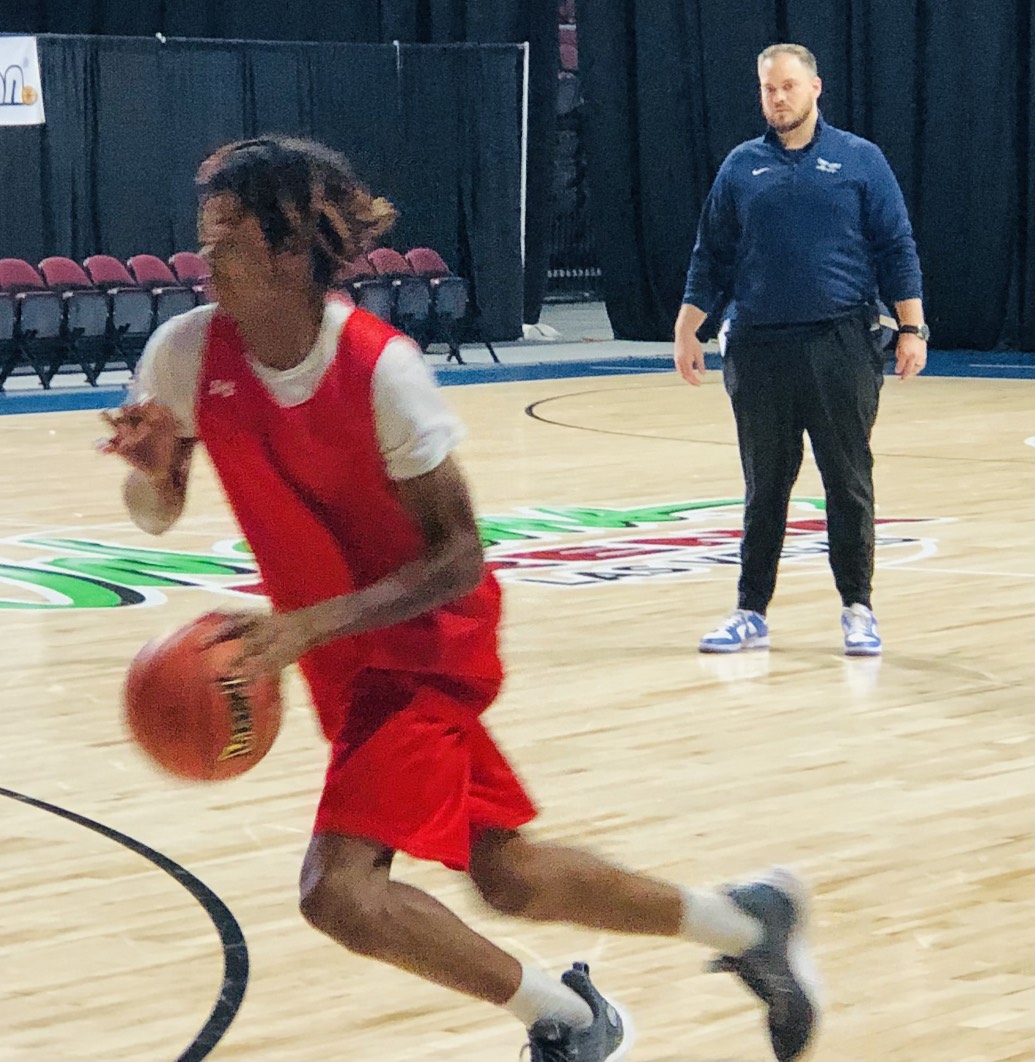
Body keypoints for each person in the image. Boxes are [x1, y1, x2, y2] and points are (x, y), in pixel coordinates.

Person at [103, 136, 819, 1062]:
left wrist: (308, 624)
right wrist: (155, 479)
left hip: (425, 645)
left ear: (289, 251)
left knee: (339, 893)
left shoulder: (379, 368)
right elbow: (155, 516)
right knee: (508, 875)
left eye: (228, 236)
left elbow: (459, 558)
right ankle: (746, 923)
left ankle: (566, 1018)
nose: (205, 256)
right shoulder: (185, 351)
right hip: (334, 658)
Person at [674, 43, 928, 657]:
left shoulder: (860, 160)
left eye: (789, 86)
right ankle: (750, 611)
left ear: (816, 88)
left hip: (840, 344)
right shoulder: (741, 167)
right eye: (768, 89)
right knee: (765, 487)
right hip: (758, 350)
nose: (778, 98)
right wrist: (689, 329)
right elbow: (712, 255)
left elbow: (897, 246)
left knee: (847, 481)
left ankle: (857, 607)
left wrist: (912, 328)